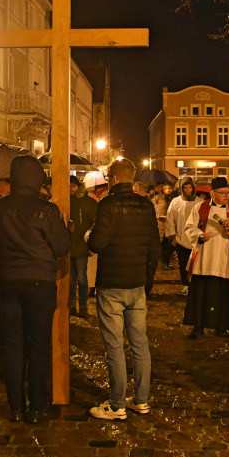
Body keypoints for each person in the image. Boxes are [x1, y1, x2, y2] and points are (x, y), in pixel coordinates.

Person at [0, 155, 71, 424]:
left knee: (13, 346)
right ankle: (37, 406)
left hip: (9, 281)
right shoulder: (46, 210)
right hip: (39, 282)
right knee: (38, 346)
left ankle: (15, 407)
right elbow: (61, 248)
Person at [86, 158, 160, 421]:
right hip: (136, 284)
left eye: (108, 178)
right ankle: (141, 400)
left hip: (112, 285)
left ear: (115, 179)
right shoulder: (146, 205)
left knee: (115, 346)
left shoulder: (107, 204)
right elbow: (154, 247)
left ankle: (117, 403)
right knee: (140, 344)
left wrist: (86, 236)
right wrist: (147, 280)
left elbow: (98, 242)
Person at [182, 177, 229, 339]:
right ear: (213, 193)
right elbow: (189, 226)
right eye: (223, 193)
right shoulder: (200, 207)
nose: (227, 196)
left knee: (222, 295)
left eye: (228, 192)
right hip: (204, 259)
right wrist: (199, 235)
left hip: (224, 259)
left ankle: (222, 326)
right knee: (201, 294)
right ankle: (198, 325)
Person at [166, 177, 202, 296]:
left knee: (195, 264)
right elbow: (170, 219)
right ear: (181, 188)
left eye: (189, 187)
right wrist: (173, 236)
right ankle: (185, 285)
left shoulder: (199, 202)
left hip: (195, 240)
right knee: (183, 264)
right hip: (181, 239)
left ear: (193, 188)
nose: (187, 190)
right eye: (185, 187)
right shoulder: (176, 202)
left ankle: (195, 286)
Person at [69, 175, 97, 317]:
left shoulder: (88, 203)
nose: (70, 189)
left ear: (77, 186)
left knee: (82, 278)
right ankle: (72, 305)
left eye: (72, 186)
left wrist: (91, 242)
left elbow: (95, 223)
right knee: (70, 279)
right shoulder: (66, 201)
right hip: (68, 246)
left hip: (81, 246)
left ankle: (83, 305)